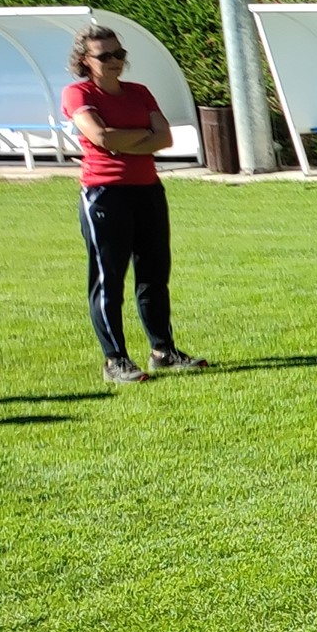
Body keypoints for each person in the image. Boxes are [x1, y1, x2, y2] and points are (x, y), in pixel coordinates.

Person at [61, 23, 207, 382]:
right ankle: (115, 360)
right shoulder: (78, 93)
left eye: (119, 53)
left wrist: (123, 140)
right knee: (108, 281)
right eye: (104, 56)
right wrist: (142, 136)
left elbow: (165, 138)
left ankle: (163, 352)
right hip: (105, 194)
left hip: (148, 190)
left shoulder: (139, 92)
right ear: (85, 60)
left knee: (154, 276)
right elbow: (100, 136)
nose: (115, 61)